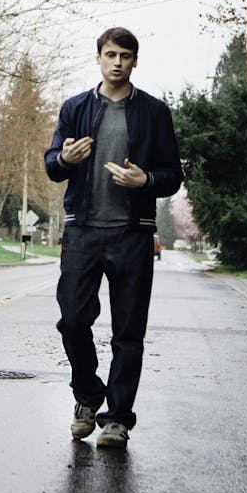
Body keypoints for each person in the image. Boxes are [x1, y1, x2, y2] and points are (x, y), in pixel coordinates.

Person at [44, 27, 183, 449]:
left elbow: (172, 176)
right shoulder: (75, 108)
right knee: (71, 321)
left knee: (128, 333)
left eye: (125, 55)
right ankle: (87, 397)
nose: (117, 61)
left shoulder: (154, 113)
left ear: (135, 61)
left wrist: (146, 180)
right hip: (83, 231)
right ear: (99, 58)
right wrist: (64, 158)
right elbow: (52, 164)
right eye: (110, 54)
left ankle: (118, 418)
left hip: (132, 235)